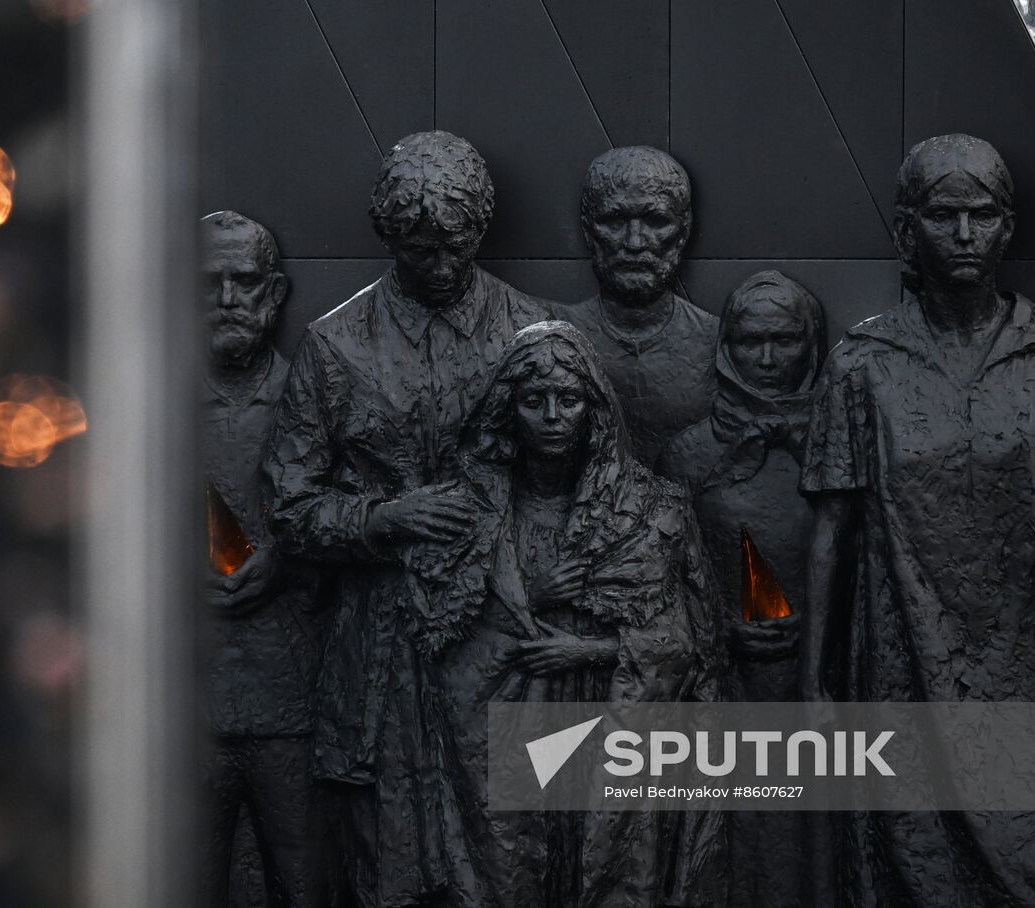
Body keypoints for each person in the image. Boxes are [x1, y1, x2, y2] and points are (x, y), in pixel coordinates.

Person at [799, 134, 1035, 906]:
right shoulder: (863, 365)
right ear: (905, 229)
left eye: (980, 216)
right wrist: (814, 684)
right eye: (943, 216)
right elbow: (831, 530)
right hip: (903, 667)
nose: (962, 235)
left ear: (1007, 228)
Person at [263, 131, 549, 908]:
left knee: (504, 856)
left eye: (453, 245)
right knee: (383, 864)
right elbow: (288, 504)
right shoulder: (335, 346)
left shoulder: (532, 336)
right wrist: (382, 518)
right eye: (418, 247)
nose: (438, 263)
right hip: (379, 652)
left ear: (479, 230)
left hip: (500, 638)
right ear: (387, 234)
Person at [402, 321, 724, 908]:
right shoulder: (465, 517)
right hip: (509, 739)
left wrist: (593, 651)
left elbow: (686, 644)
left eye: (568, 399)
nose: (552, 415)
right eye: (534, 400)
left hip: (614, 731)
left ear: (593, 409)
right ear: (508, 409)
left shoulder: (650, 511)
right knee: (515, 869)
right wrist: (531, 595)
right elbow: (440, 656)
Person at [658, 270, 828, 908]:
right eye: (750, 340)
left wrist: (815, 624)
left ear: (810, 346)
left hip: (816, 687)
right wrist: (716, 628)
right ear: (725, 345)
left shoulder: (841, 446)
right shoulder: (687, 455)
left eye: (783, 341)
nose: (766, 359)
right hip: (716, 689)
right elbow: (658, 577)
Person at [198, 211, 325, 906]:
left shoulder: (314, 396)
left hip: (289, 696)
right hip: (188, 699)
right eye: (208, 283)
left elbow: (349, 523)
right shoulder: (151, 408)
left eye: (243, 282)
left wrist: (286, 556)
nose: (227, 300)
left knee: (300, 882)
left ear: (273, 295)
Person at [563, 146, 718, 465]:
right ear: (589, 230)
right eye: (614, 220)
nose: (635, 242)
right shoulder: (556, 337)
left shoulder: (719, 344)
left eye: (656, 221)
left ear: (683, 231)